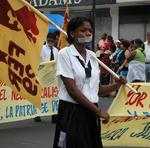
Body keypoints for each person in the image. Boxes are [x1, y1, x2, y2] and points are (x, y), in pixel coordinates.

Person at [53, 17, 126, 148]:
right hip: (73, 112)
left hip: (91, 112)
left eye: (90, 31)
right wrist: (98, 111)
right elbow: (72, 90)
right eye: (83, 30)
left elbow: (96, 89)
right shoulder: (65, 54)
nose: (88, 33)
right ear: (72, 33)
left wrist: (117, 85)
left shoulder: (92, 56)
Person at [34, 32, 58, 122]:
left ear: (55, 40)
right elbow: (38, 61)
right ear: (46, 39)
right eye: (49, 38)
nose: (50, 40)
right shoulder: (41, 49)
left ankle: (54, 115)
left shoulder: (56, 51)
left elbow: (57, 63)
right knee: (41, 95)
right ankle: (37, 114)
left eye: (52, 39)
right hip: (42, 75)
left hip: (53, 76)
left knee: (53, 95)